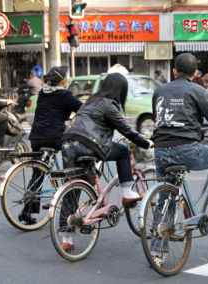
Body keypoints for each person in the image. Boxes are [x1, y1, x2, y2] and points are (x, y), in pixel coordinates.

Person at [151, 53, 208, 263]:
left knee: (166, 198)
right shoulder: (196, 89)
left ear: (174, 71)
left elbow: (159, 118)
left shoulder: (160, 90)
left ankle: (157, 252)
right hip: (185, 149)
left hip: (161, 151)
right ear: (195, 73)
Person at [60, 73, 152, 250]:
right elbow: (126, 130)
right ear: (121, 91)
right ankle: (128, 193)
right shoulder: (109, 105)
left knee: (73, 188)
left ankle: (66, 239)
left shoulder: (90, 102)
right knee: (123, 151)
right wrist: (146, 142)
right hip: (87, 145)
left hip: (67, 145)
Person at [19, 66, 83, 225]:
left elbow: (51, 111)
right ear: (63, 80)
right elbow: (82, 109)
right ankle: (68, 199)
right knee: (73, 161)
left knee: (38, 173)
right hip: (54, 137)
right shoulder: (65, 94)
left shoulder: (42, 92)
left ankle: (27, 210)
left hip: (36, 137)